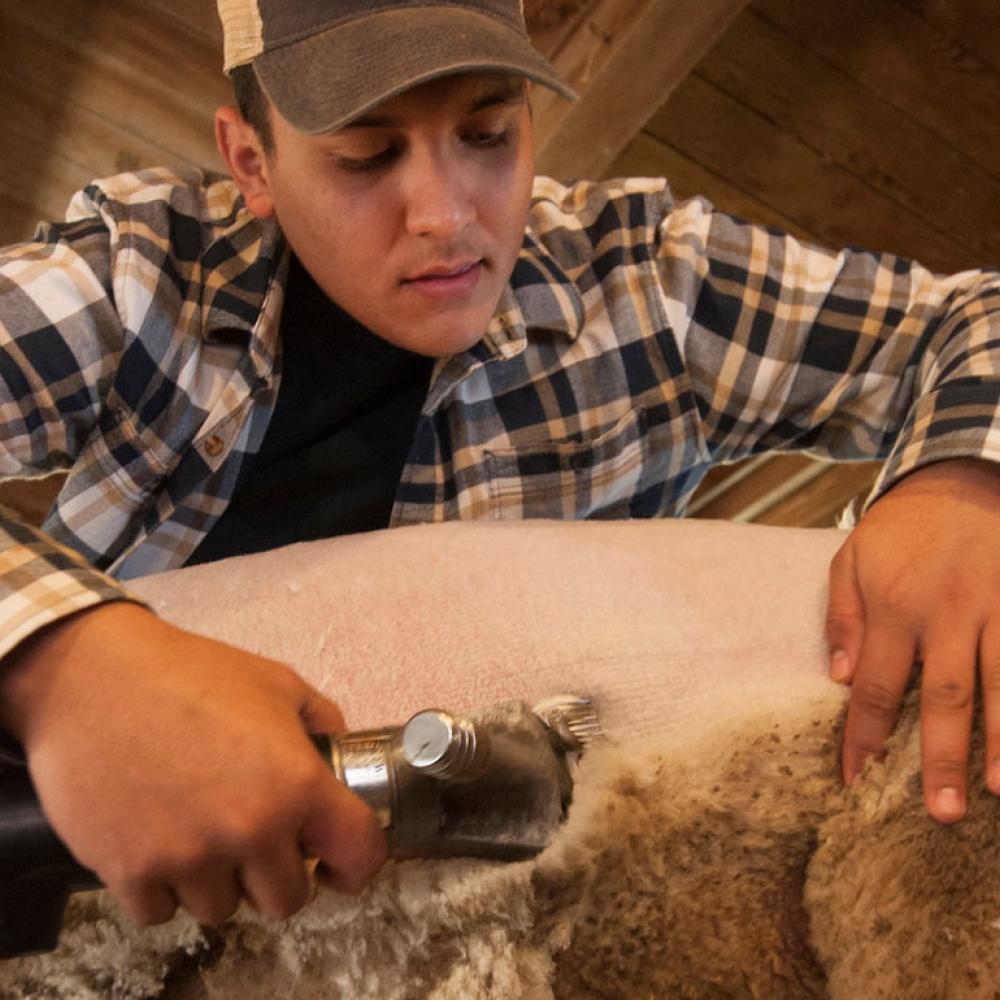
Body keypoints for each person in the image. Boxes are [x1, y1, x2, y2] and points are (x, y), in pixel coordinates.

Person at [0, 0, 998, 930]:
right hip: (145, 891)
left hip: (529, 916)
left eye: (487, 134)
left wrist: (960, 483)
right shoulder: (143, 276)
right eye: (366, 155)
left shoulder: (648, 287)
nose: (445, 214)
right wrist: (63, 664)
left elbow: (973, 312)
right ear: (252, 163)